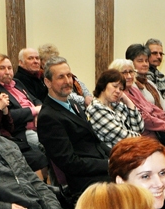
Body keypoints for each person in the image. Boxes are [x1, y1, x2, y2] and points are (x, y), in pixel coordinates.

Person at [37, 57, 111, 199]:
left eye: (69, 75)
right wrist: (108, 164)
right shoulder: (48, 117)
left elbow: (95, 141)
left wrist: (117, 155)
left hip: (99, 168)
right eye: (61, 77)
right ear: (48, 82)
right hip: (85, 181)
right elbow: (71, 163)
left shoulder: (73, 104)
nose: (68, 81)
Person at [110, 58, 165, 142]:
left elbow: (152, 107)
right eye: (124, 73)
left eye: (131, 72)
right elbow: (143, 118)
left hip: (154, 131)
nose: (129, 76)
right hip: (140, 136)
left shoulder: (134, 89)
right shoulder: (118, 95)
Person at [87, 69, 144, 148]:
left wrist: (127, 101)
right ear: (103, 85)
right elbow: (122, 137)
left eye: (121, 89)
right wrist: (141, 138)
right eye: (115, 86)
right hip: (112, 156)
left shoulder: (118, 106)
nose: (118, 91)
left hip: (129, 151)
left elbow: (139, 128)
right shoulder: (96, 109)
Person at [126, 44, 165, 114]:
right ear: (130, 63)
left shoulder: (149, 83)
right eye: (140, 61)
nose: (145, 64)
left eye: (146, 61)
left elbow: (164, 106)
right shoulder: (130, 85)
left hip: (159, 119)